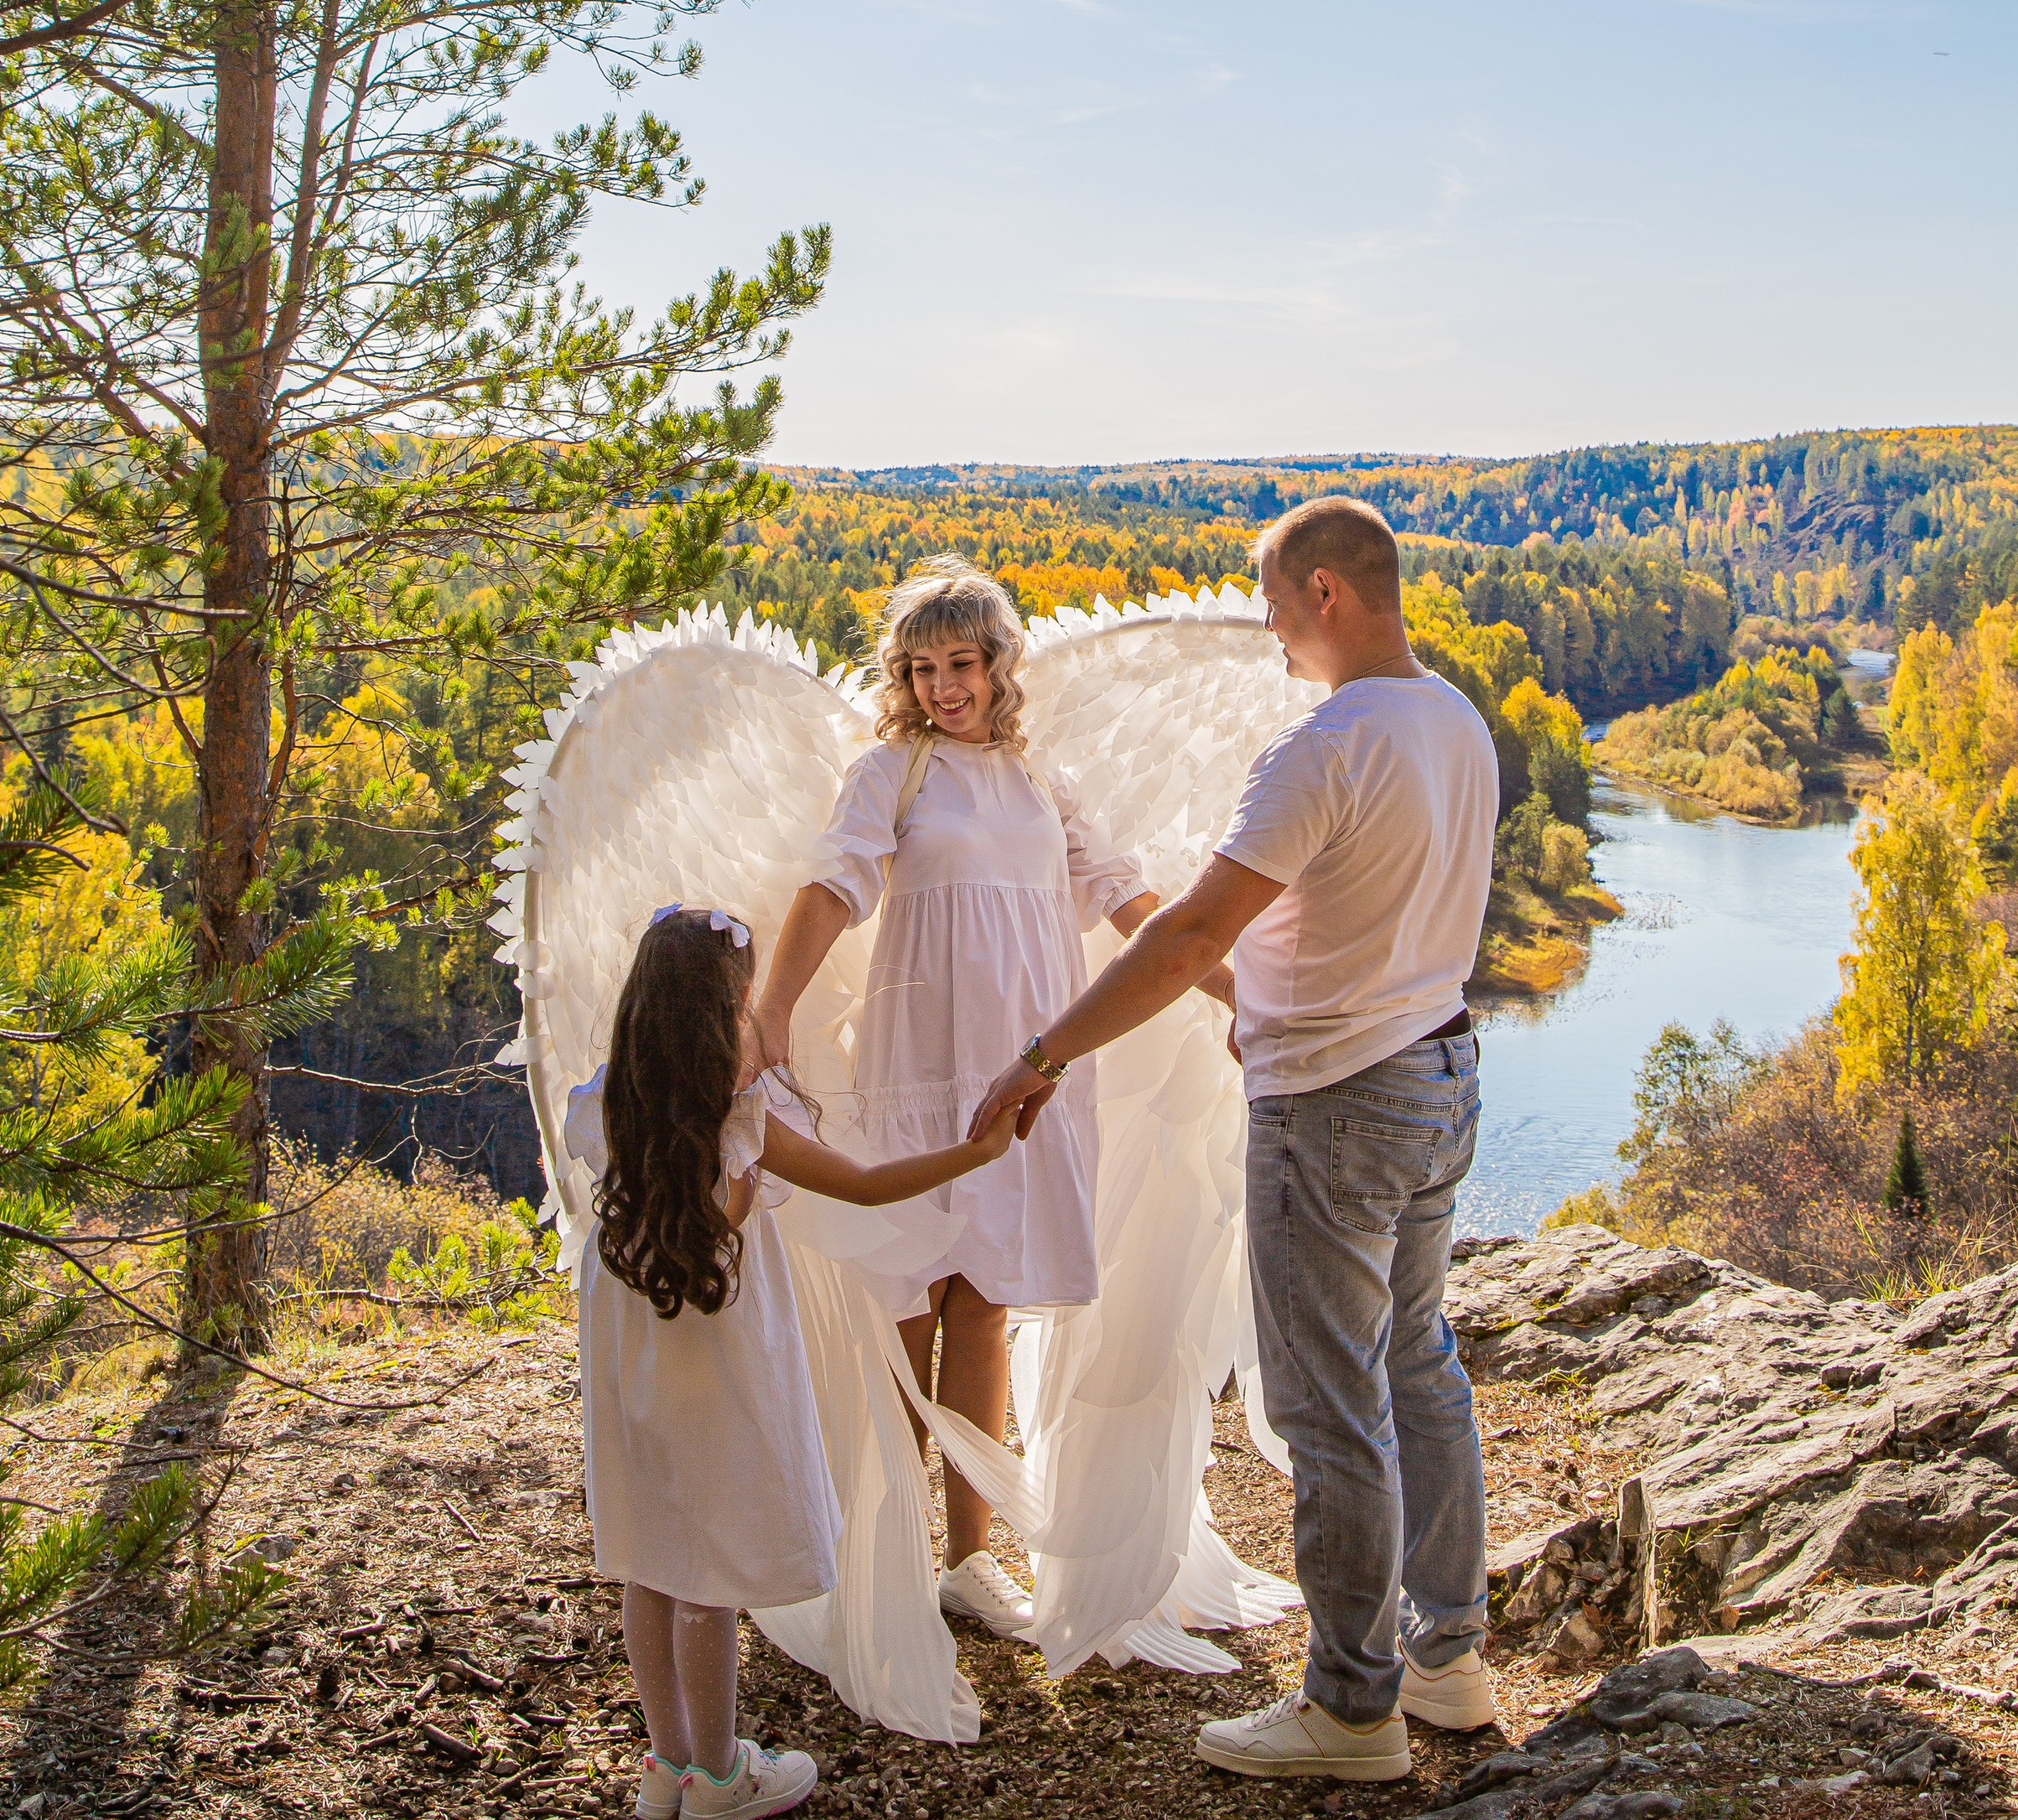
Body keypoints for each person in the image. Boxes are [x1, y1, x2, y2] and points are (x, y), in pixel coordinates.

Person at [967, 496, 1502, 1781]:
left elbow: (1190, 936)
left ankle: (1351, 1710)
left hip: (1333, 1107)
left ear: (1325, 590)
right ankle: (1448, 1661)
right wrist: (1277, 998)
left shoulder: (1322, 746)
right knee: (1417, 1365)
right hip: (1438, 1073)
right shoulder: (1457, 724)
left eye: (1271, 595)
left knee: (1332, 1406)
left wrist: (1044, 1054)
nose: (1264, 621)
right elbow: (1365, 917)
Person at [754, 559, 1224, 1640]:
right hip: (919, 1061)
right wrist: (770, 1007)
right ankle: (871, 1551)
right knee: (904, 1304)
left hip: (1024, 1063)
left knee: (985, 1300)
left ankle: (969, 1560)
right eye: (920, 667)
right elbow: (835, 883)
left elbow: (1133, 902)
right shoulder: (893, 773)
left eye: (959, 663)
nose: (940, 687)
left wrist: (1237, 995)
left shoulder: (1038, 776)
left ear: (999, 662)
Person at [575, 903, 1023, 1820]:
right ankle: (722, 1776)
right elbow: (857, 1185)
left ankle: (667, 1767)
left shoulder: (605, 1099)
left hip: (632, 1356)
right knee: (709, 1573)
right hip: (717, 1356)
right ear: (722, 1012)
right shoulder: (737, 1113)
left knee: (654, 1561)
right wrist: (974, 1152)